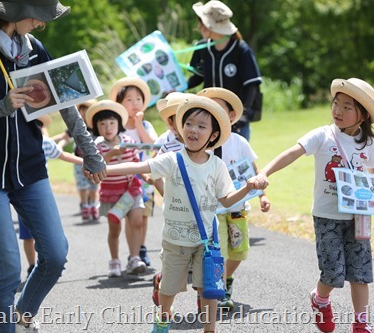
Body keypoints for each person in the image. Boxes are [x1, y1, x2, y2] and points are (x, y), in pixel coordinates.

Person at [0, 1, 107, 332]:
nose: (42, 25)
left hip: (30, 169)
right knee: (8, 268)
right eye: (38, 18)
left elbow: (67, 107)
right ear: (17, 16)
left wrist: (90, 153)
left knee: (56, 255)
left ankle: (22, 314)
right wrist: (1, 106)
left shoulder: (36, 50)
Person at [104, 95, 266, 333]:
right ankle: (163, 318)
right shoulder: (172, 159)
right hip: (174, 239)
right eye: (188, 123)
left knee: (208, 288)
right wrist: (104, 169)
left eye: (201, 126)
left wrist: (249, 187)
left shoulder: (217, 166)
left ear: (212, 135)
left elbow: (227, 199)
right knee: (168, 288)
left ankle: (209, 329)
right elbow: (140, 167)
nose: (193, 129)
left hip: (206, 242)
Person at [254, 78, 374, 333]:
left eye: (347, 107)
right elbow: (292, 152)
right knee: (332, 272)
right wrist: (265, 172)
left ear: (363, 115)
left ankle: (361, 323)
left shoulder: (368, 143)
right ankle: (320, 299)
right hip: (327, 215)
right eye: (336, 104)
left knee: (360, 272)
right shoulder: (323, 135)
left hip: (359, 216)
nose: (338, 111)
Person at [197, 87, 270, 311]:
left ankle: (225, 281)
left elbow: (252, 170)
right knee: (219, 251)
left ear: (230, 116)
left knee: (238, 251)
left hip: (238, 206)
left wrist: (263, 195)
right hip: (213, 210)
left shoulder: (238, 142)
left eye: (220, 108)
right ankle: (216, 289)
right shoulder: (202, 142)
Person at [18, 114, 84, 281]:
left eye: (38, 126)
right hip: (21, 195)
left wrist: (85, 161)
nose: (36, 130)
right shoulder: (16, 144)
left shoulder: (46, 143)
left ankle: (45, 263)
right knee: (27, 235)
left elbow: (64, 155)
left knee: (46, 231)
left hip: (41, 194)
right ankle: (32, 265)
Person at [85, 100, 146, 276]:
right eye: (102, 124)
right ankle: (114, 260)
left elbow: (137, 163)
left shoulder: (128, 141)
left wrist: (147, 176)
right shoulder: (97, 146)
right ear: (96, 127)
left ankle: (134, 258)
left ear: (119, 124)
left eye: (112, 123)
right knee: (115, 229)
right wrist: (112, 153)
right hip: (112, 194)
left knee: (137, 222)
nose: (108, 127)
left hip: (131, 191)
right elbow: (96, 167)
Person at [187, 0, 262, 141]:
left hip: (235, 121)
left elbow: (252, 85)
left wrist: (243, 114)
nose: (198, 26)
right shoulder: (202, 48)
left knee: (236, 161)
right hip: (208, 119)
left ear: (210, 25)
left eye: (201, 21)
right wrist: (177, 88)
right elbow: (197, 77)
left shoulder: (241, 50)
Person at [109, 77, 158, 267]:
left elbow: (153, 146)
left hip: (146, 179)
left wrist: (139, 125)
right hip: (125, 180)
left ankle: (140, 248)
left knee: (143, 217)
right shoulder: (117, 128)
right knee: (131, 218)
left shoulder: (145, 126)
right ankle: (133, 252)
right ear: (120, 104)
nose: (134, 103)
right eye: (129, 99)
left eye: (138, 99)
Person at [51, 99, 100, 222]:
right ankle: (84, 206)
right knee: (82, 185)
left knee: (94, 185)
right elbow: (65, 137)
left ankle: (93, 205)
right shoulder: (76, 126)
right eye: (81, 111)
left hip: (93, 162)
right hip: (79, 161)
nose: (83, 114)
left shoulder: (97, 128)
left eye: (86, 111)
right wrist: (59, 146)